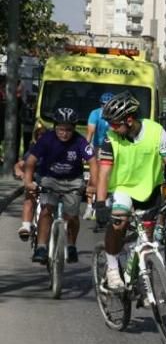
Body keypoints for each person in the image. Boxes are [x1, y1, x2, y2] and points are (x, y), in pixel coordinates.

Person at [94, 92, 166, 292]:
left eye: (115, 123)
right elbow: (104, 173)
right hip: (122, 188)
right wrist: (100, 203)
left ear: (130, 120)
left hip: (149, 189)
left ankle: (140, 274)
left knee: (146, 239)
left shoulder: (156, 131)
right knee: (119, 222)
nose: (111, 127)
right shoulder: (110, 138)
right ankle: (113, 268)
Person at [21, 108, 97, 264]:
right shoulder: (46, 139)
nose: (64, 133)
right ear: (55, 126)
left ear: (74, 129)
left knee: (73, 216)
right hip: (49, 178)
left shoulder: (80, 141)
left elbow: (93, 162)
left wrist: (93, 184)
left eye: (69, 130)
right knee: (47, 209)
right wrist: (28, 182)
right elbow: (31, 161)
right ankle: (41, 247)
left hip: (73, 181)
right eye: (61, 129)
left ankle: (71, 245)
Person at [15, 126, 47, 241]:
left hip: (51, 182)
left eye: (44, 136)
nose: (42, 138)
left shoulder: (56, 150)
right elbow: (20, 165)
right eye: (39, 136)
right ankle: (26, 226)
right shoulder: (33, 151)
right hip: (35, 180)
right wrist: (20, 172)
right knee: (30, 197)